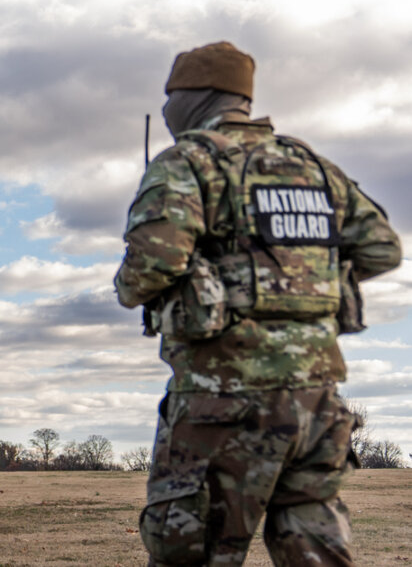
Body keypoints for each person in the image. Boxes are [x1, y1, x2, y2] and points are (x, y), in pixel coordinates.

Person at [115, 41, 402, 566]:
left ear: (194, 97)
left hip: (222, 402)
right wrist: (298, 279)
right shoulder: (311, 166)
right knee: (316, 553)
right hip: (315, 404)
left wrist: (194, 283)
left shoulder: (188, 162)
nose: (166, 109)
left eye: (170, 96)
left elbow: (151, 266)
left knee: (192, 552)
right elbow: (381, 247)